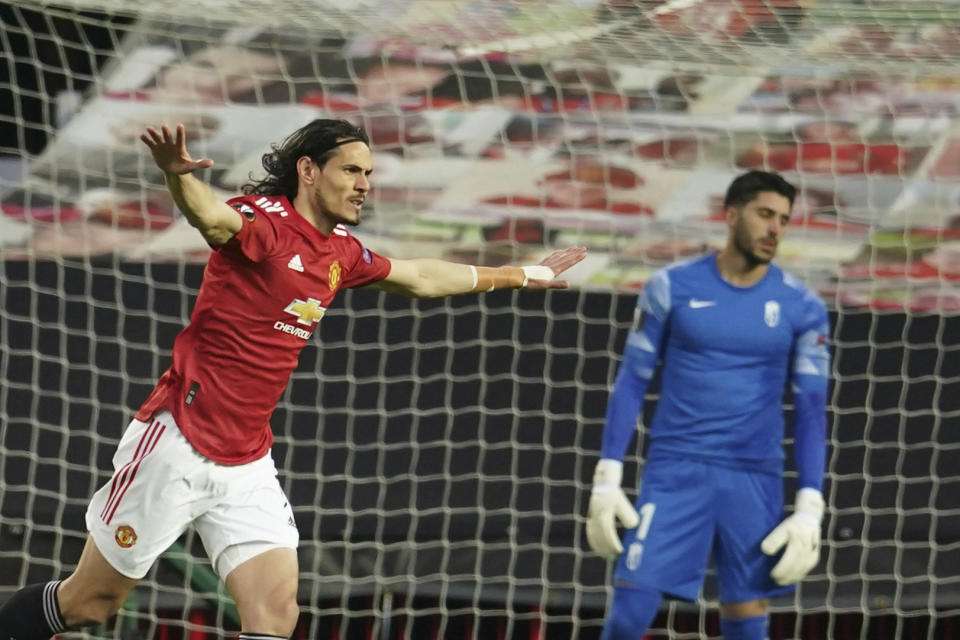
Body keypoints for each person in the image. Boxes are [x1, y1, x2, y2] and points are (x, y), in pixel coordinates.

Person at [0, 119, 586, 640]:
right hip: (179, 439)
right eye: (351, 169)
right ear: (309, 170)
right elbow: (212, 218)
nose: (364, 183)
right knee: (89, 605)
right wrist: (179, 177)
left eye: (369, 173)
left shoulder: (341, 252)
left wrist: (518, 274)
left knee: (275, 616)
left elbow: (421, 276)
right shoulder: (265, 224)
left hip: (247, 460)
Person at [585, 170, 830, 640]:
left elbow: (811, 409)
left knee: (745, 620)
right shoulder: (670, 286)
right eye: (765, 214)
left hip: (753, 476)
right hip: (676, 470)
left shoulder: (803, 306)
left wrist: (810, 505)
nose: (775, 228)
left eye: (783, 218)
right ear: (731, 214)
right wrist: (608, 475)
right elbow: (631, 381)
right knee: (630, 612)